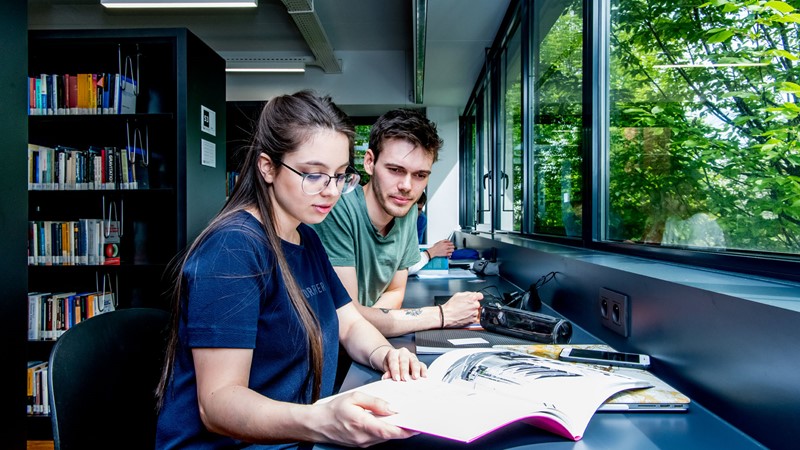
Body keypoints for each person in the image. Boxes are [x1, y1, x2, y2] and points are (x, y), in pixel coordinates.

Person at [155, 91, 426, 449]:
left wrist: (386, 355)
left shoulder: (306, 239)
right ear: (268, 166)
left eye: (341, 176)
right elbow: (217, 403)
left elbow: (350, 322)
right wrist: (321, 421)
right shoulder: (233, 250)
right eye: (314, 175)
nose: (330, 191)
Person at [311, 109, 482, 337]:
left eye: (420, 175)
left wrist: (371, 326)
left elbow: (395, 291)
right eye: (395, 170)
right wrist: (442, 315)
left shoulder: (408, 211)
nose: (407, 186)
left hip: (362, 344)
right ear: (370, 162)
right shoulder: (338, 208)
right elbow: (347, 315)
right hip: (322, 348)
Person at [408, 191, 455, 275]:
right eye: (412, 208)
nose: (415, 213)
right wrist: (433, 251)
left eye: (419, 209)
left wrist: (434, 248)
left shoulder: (421, 219)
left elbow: (415, 246)